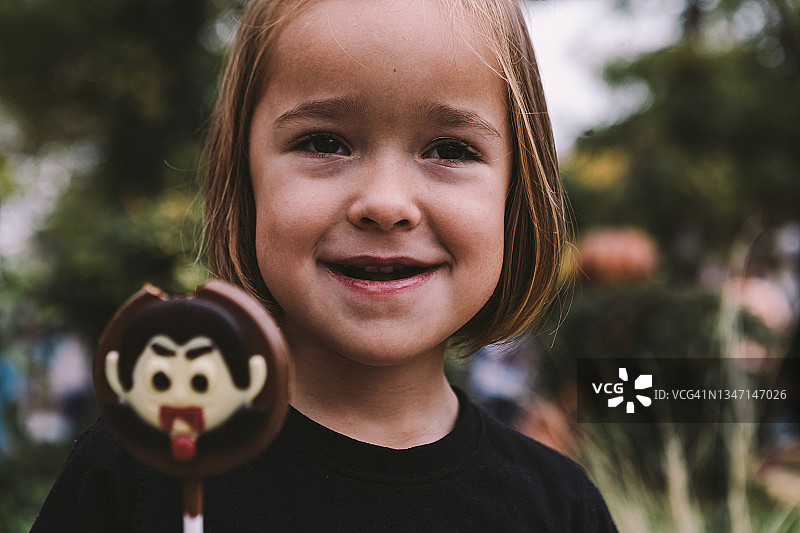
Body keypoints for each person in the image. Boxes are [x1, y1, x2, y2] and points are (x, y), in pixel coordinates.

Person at [32, 0, 617, 530]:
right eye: (324, 142)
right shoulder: (142, 470)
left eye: (450, 149)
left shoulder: (560, 509)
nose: (386, 204)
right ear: (246, 179)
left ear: (517, 195)